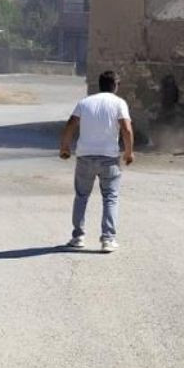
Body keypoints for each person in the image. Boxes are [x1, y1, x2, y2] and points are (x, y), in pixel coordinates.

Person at [59, 70, 135, 252]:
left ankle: (77, 237)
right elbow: (126, 128)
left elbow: (70, 124)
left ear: (99, 85)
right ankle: (108, 239)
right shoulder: (119, 103)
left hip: (85, 156)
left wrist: (65, 147)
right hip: (109, 158)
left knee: (81, 196)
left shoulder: (85, 102)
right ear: (115, 85)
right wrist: (129, 152)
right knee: (110, 197)